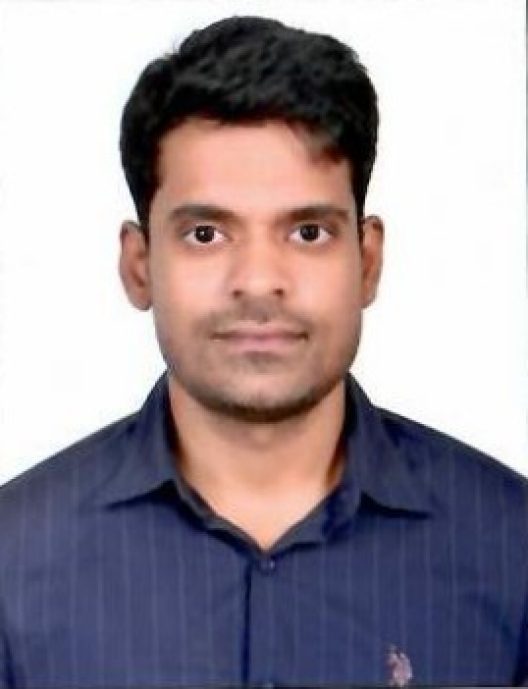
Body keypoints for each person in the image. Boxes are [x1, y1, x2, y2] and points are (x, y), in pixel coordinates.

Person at [0, 15, 526, 688]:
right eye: (206, 233)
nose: (257, 280)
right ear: (139, 266)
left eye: (307, 232)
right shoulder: (14, 563)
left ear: (367, 262)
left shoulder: (511, 548)